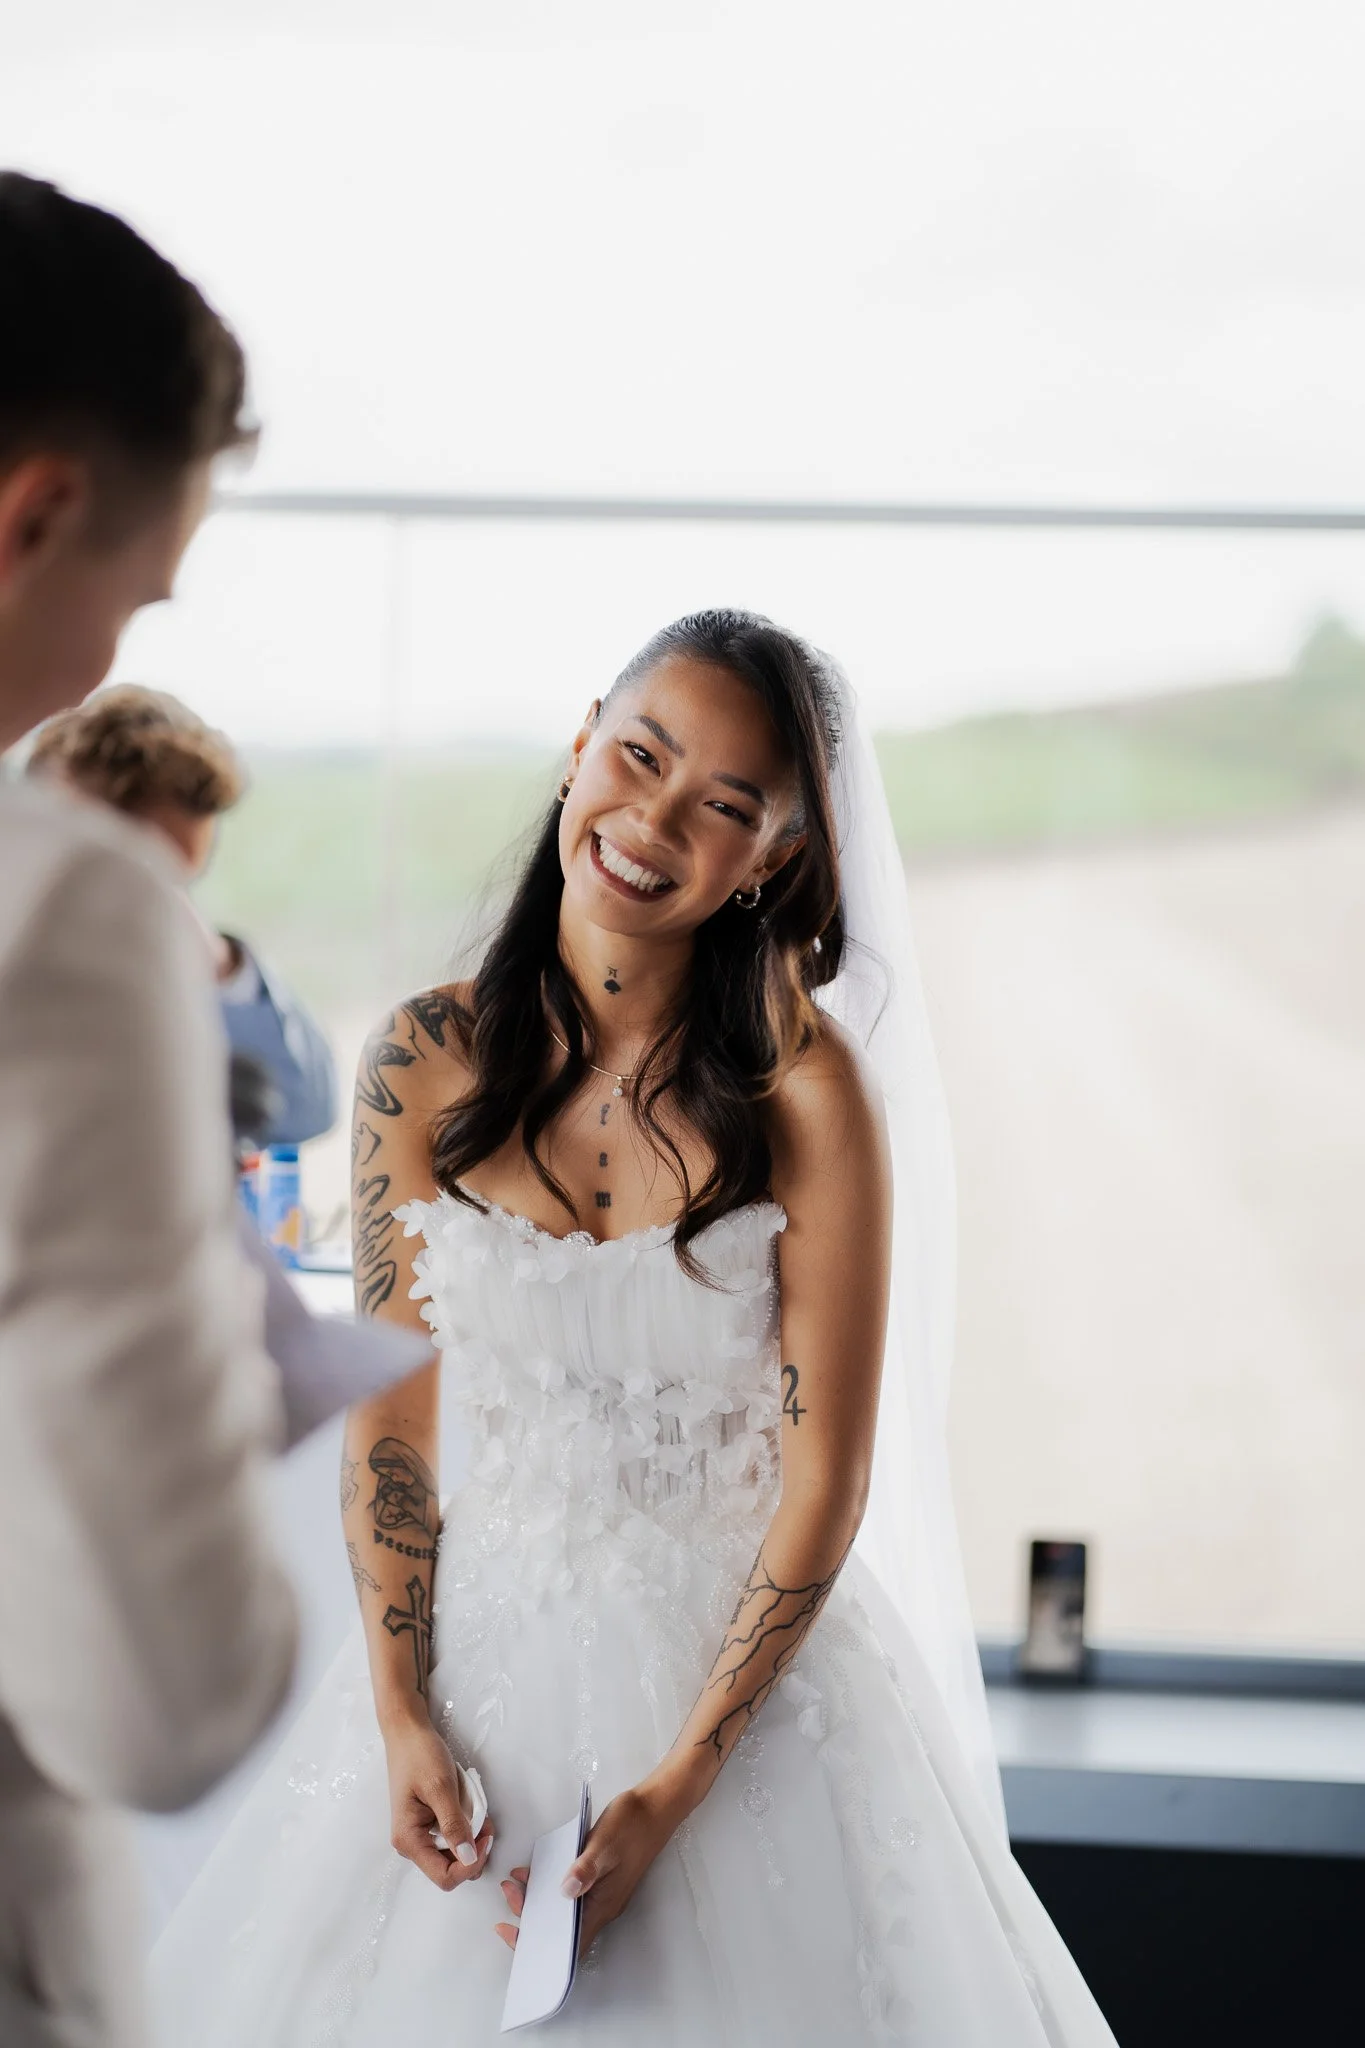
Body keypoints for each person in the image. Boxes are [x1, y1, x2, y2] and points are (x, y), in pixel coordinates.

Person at [151, 610, 1119, 2045]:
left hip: (751, 1704)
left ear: (774, 858)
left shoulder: (807, 1096)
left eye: (723, 806)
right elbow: (392, 1429)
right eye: (638, 756)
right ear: (581, 741)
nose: (651, 823)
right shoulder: (419, 1061)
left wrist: (681, 1782)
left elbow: (824, 1479)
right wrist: (403, 1711)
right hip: (482, 1670)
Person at [0, 170, 298, 2047]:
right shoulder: (60, 909)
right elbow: (175, 1695)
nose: (117, 646)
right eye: (140, 590)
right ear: (33, 521)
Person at [26, 683, 339, 1147]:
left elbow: (304, 1110)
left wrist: (219, 969)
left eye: (180, 880)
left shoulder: (179, 963)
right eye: (147, 875)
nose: (158, 901)